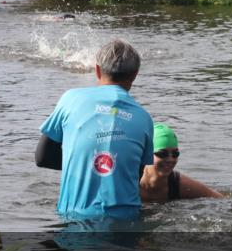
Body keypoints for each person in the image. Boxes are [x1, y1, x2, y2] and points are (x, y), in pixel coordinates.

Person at [35, 39, 153, 220]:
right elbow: (134, 174)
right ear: (135, 74)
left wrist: (84, 163)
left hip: (76, 216)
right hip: (126, 220)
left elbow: (42, 158)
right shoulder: (144, 118)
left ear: (97, 70)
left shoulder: (70, 99)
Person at [139, 124, 223, 202]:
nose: (170, 159)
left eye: (175, 154)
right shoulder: (129, 180)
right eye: (162, 154)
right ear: (147, 153)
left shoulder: (179, 185)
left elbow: (221, 200)